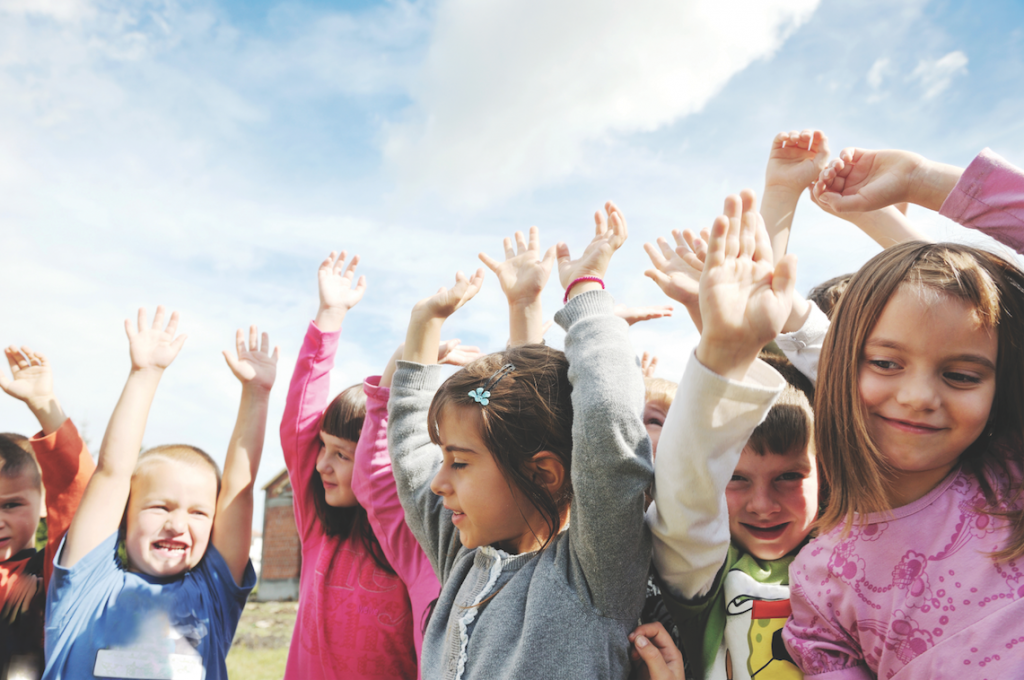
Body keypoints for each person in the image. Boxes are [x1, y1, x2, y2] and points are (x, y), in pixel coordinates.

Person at [387, 202, 652, 679]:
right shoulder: (463, 558)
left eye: (460, 462)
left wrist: (587, 291)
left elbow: (607, 419)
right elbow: (409, 459)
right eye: (443, 458)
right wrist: (423, 325)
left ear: (542, 473)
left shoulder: (592, 576)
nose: (437, 483)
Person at [780, 237, 1024, 676]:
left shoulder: (1012, 471)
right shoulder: (818, 580)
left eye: (962, 376)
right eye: (887, 364)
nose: (918, 397)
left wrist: (919, 183)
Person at [647, 190, 821, 680]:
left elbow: (866, 403)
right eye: (738, 479)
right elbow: (688, 493)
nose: (762, 504)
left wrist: (784, 188)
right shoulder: (707, 568)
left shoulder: (851, 545)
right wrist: (720, 351)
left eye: (789, 476)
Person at [44, 309, 273, 680]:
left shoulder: (211, 594)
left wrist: (257, 395)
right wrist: (145, 374)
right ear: (123, 517)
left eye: (199, 513)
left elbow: (239, 492)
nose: (177, 524)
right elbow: (112, 473)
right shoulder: (89, 583)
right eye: (159, 506)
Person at [281, 251, 429, 680]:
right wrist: (329, 317)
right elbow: (298, 427)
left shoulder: (411, 546)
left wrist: (408, 369)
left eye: (342, 455)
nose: (321, 465)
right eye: (323, 448)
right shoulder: (318, 530)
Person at [0, 346, 95, 680]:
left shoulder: (52, 571)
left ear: (43, 504)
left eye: (10, 505)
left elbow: (83, 498)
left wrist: (44, 407)